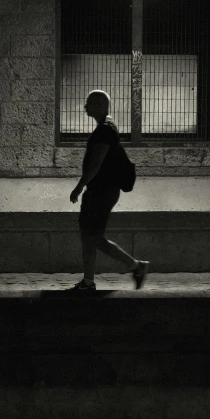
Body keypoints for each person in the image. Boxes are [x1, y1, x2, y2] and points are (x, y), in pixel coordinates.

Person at [68, 89, 149, 291]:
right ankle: (88, 281)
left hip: (102, 191)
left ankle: (136, 266)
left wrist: (78, 188)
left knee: (93, 236)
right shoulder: (106, 127)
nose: (85, 107)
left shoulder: (105, 130)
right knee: (89, 235)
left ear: (101, 105)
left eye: (89, 103)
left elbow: (96, 163)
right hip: (101, 190)